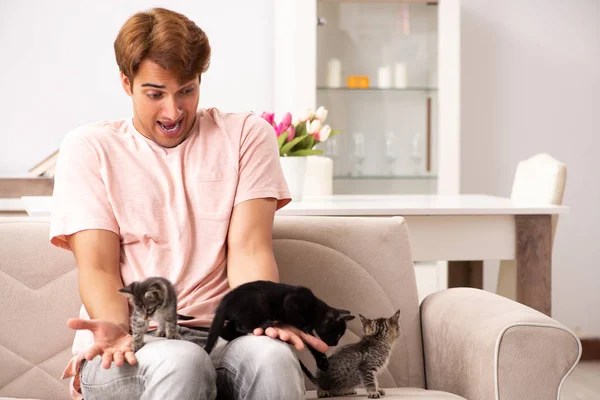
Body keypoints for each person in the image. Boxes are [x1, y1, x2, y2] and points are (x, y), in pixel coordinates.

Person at [50, 7, 327, 400]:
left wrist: (265, 317)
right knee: (183, 361)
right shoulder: (90, 148)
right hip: (135, 343)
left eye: (187, 90)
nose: (173, 111)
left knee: (273, 357)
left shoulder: (246, 135)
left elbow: (250, 248)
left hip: (226, 336)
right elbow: (97, 267)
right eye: (155, 93)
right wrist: (115, 327)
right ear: (126, 83)